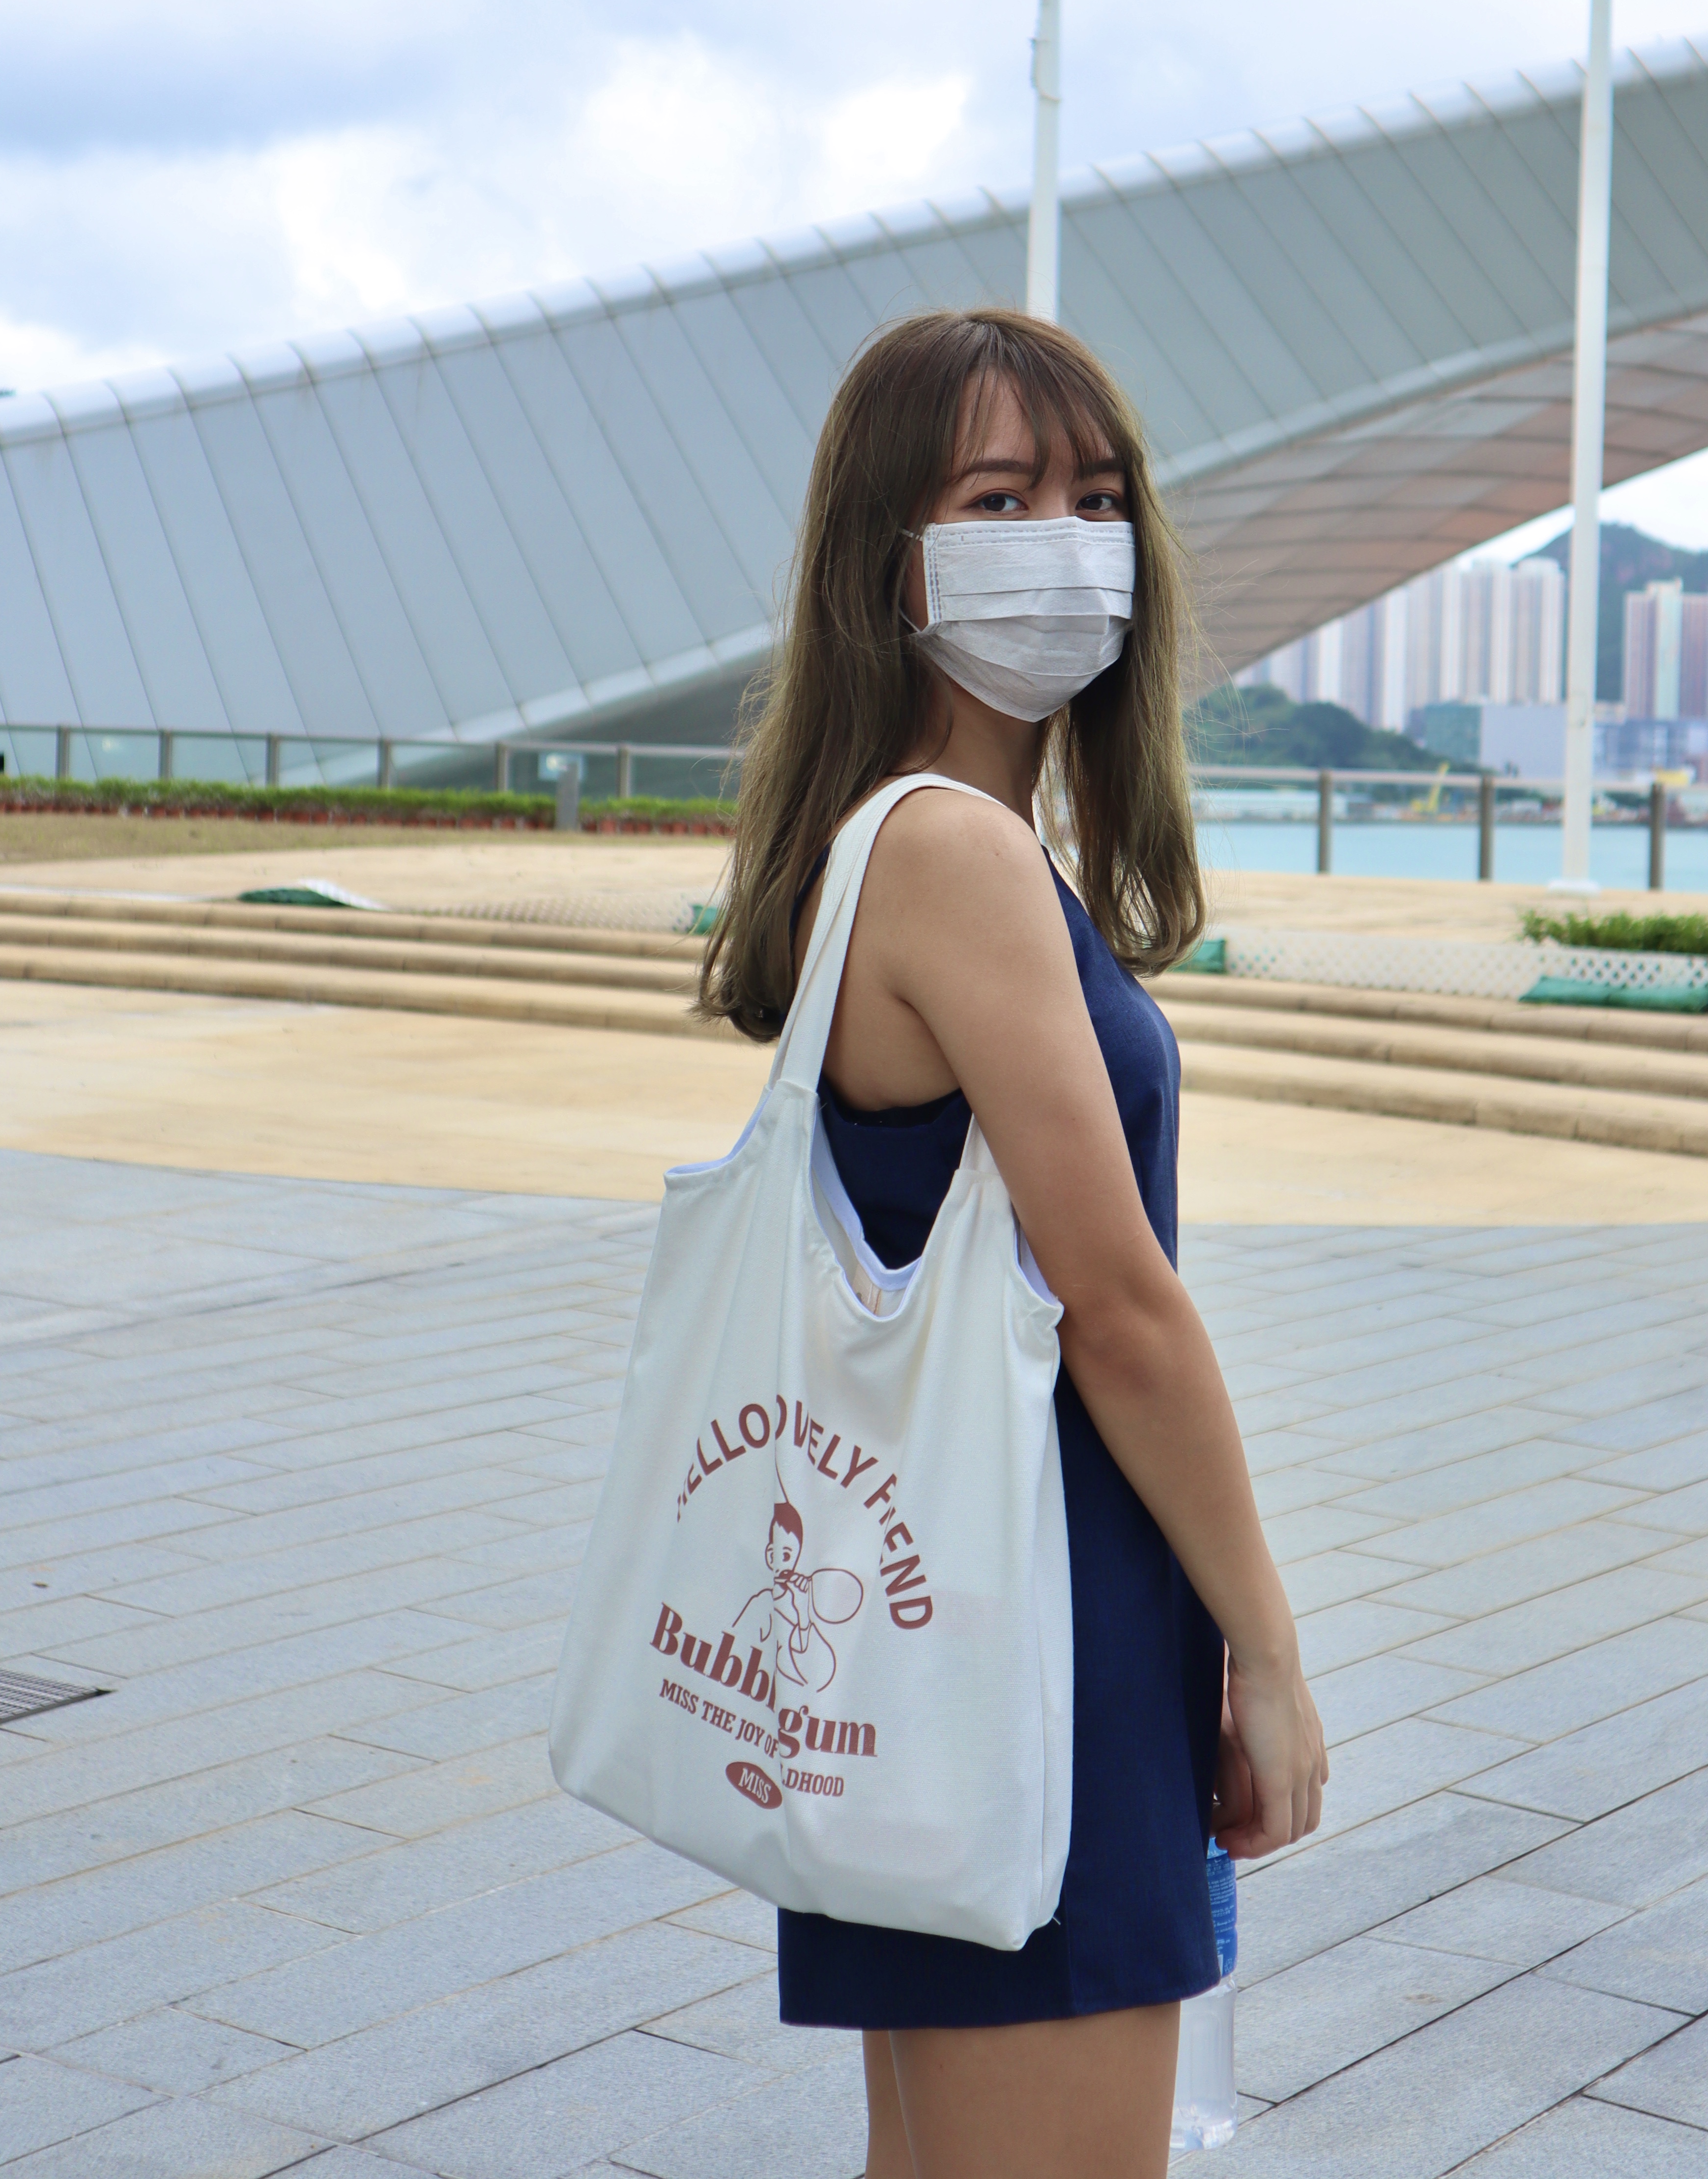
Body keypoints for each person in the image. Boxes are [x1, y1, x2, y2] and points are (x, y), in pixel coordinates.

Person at [699, 308, 1328, 2179]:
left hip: (933, 1628)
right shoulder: (955, 856)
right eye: (1001, 497)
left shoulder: (911, 838)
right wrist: (1268, 1651)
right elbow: (1118, 1309)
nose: (1067, 540)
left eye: (1099, 497)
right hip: (1035, 1639)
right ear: (890, 551)